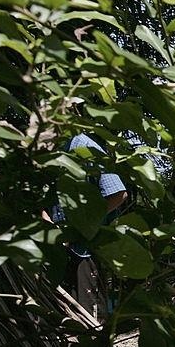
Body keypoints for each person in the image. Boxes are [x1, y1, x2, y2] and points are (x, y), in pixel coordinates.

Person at [46, 133, 129, 317]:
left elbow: (118, 194)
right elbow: (43, 203)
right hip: (59, 249)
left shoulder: (82, 146)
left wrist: (84, 225)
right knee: (68, 315)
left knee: (90, 315)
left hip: (86, 246)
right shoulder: (48, 155)